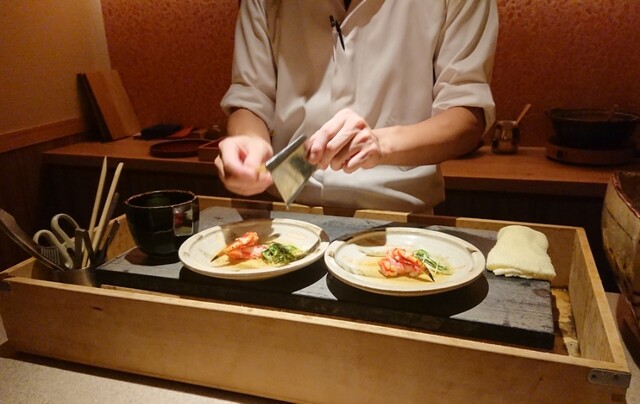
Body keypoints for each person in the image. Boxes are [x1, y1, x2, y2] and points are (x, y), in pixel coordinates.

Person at [215, 0, 498, 212]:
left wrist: (380, 143)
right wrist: (248, 142)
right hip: (287, 210)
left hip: (399, 217)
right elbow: (251, 96)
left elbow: (467, 115)